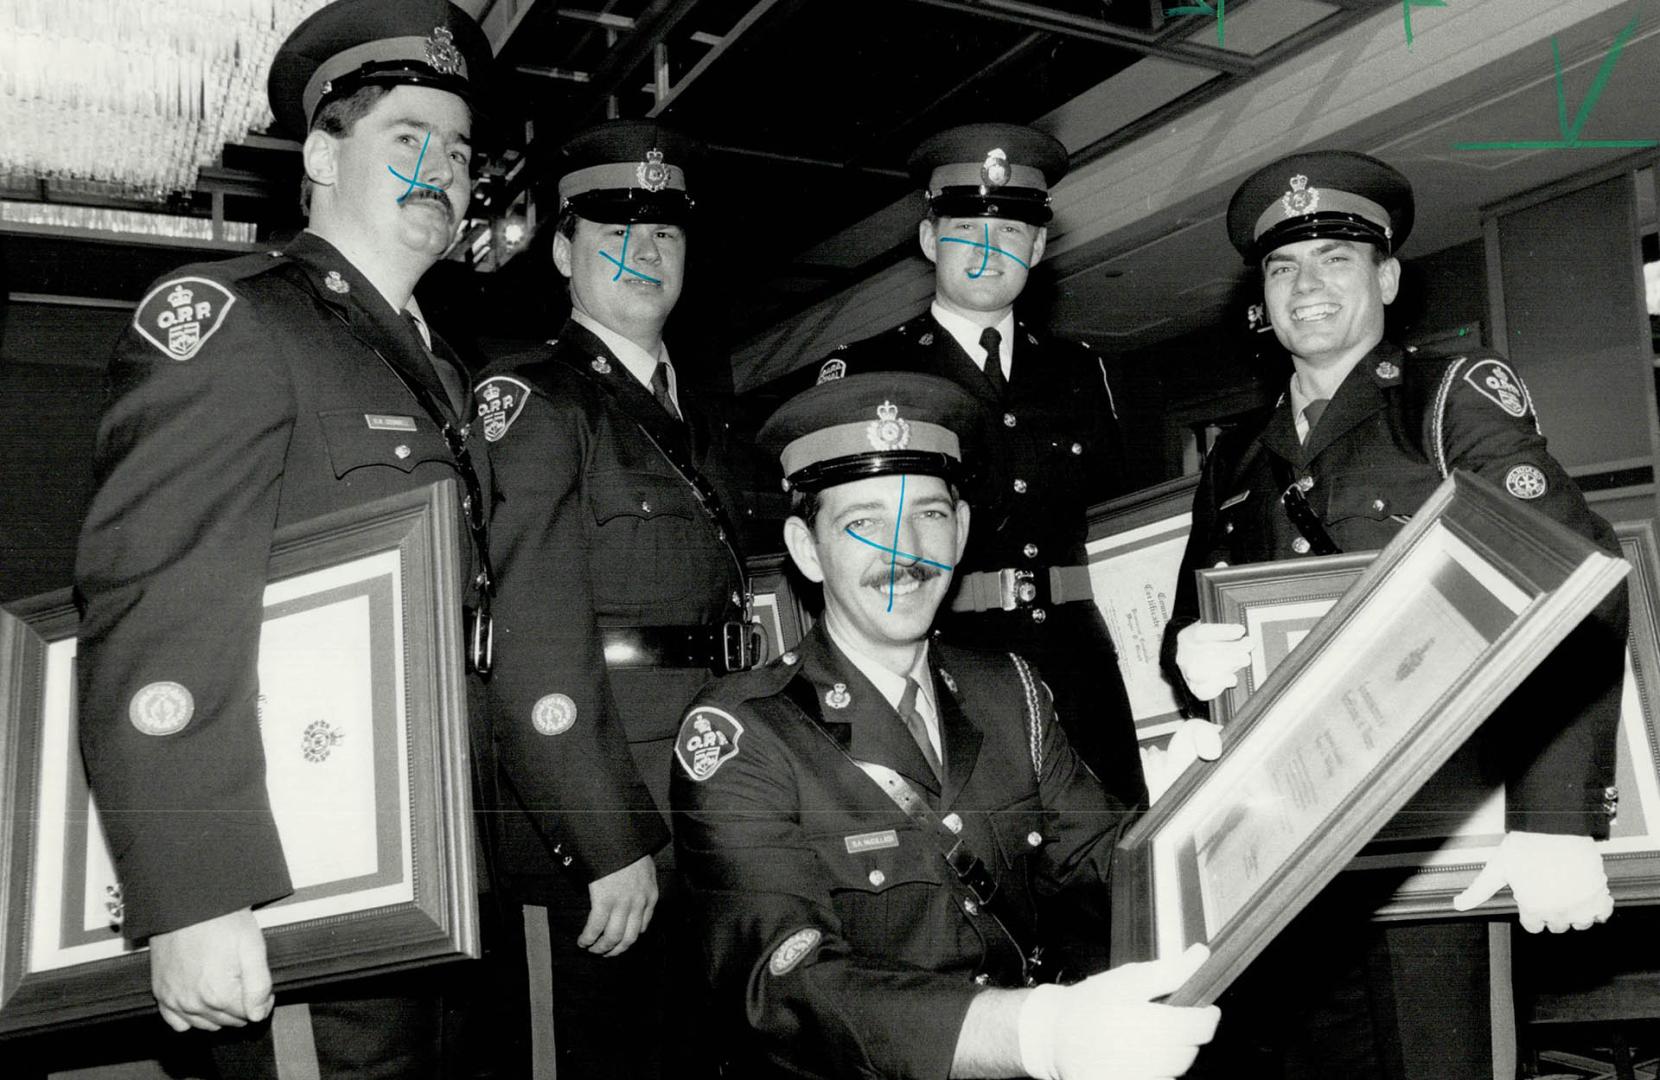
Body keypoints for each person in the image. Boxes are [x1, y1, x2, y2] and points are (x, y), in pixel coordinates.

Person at [73, 1, 496, 1075]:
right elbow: (155, 611)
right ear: (318, 151)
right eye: (406, 138)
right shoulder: (234, 322)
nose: (439, 170)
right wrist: (196, 892)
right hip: (292, 891)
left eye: (456, 151)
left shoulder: (439, 369)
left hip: (424, 876)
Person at [1163, 150, 1627, 1079]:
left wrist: (1556, 815)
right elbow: (1193, 625)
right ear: (1262, 299)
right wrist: (1191, 669)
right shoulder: (1234, 462)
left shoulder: (1447, 400)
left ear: (1386, 276)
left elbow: (1579, 584)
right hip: (1285, 863)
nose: (1310, 285)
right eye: (1284, 267)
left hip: (1438, 848)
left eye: (1337, 259)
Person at [671, 370, 1221, 1079]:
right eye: (863, 522)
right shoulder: (746, 734)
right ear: (807, 550)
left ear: (959, 533)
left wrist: (1201, 810)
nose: (905, 552)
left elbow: (1107, 859)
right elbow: (786, 981)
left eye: (928, 514)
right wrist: (1039, 1033)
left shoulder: (1008, 690)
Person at [475, 119, 755, 1080]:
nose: (645, 254)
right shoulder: (536, 403)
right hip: (601, 829)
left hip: (706, 804)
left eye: (666, 234)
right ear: (561, 250)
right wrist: (604, 840)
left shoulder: (700, 416)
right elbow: (530, 639)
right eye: (613, 234)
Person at [808, 123, 1145, 806]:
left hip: (1082, 670)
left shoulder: (1087, 373)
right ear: (931, 240)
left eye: (1011, 232)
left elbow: (1126, 527)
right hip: (945, 665)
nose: (987, 251)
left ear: (1039, 246)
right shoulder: (867, 374)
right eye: (965, 229)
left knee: (1111, 871)